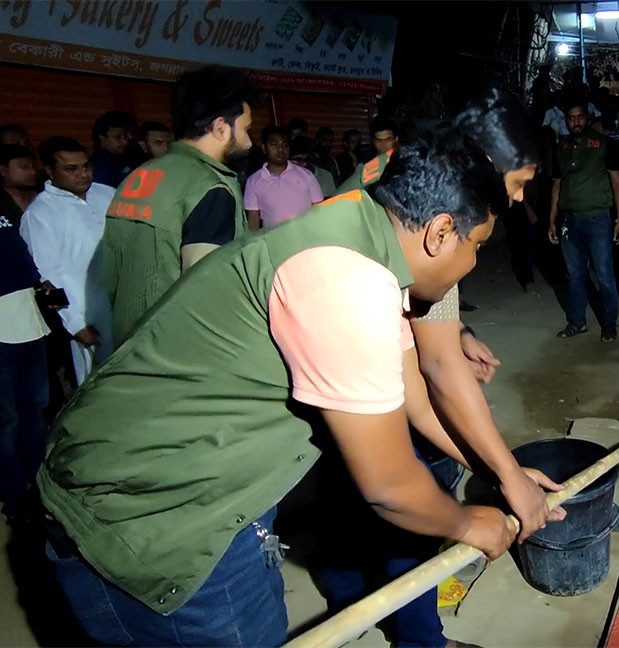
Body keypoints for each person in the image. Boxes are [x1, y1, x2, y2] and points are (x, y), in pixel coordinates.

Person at [37, 131, 520, 647]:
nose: (474, 264)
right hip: (155, 521)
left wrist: (502, 472)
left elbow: (417, 403)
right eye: (479, 247)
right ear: (442, 231)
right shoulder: (347, 280)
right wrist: (468, 521)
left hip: (192, 482)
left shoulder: (361, 228)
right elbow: (390, 486)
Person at [319, 91, 557, 648]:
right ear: (478, 165)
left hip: (342, 370)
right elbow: (438, 371)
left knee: (348, 492)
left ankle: (350, 602)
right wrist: (506, 477)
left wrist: (456, 330)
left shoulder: (395, 175)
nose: (521, 197)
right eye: (518, 183)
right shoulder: (430, 222)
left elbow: (430, 338)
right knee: (412, 498)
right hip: (347, 368)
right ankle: (421, 637)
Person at [100, 65, 255, 346]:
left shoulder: (140, 176)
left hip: (129, 341)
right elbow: (206, 293)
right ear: (220, 128)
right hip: (178, 350)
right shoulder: (211, 187)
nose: (249, 141)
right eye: (245, 130)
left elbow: (111, 271)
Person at [19, 137, 114, 385]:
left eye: (86, 166)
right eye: (71, 169)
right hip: (89, 317)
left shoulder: (107, 194)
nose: (83, 174)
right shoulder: (40, 213)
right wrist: (76, 324)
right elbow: (48, 276)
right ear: (50, 171)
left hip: (125, 304)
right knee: (99, 388)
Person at [548, 97, 619, 342]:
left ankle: (610, 324)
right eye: (571, 118)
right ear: (566, 121)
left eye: (580, 116)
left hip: (598, 220)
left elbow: (617, 183)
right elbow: (556, 187)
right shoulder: (561, 149)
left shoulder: (603, 144)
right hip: (570, 221)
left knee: (604, 275)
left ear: (587, 118)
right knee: (575, 275)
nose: (576, 122)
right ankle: (577, 322)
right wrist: (551, 220)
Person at [0, 161, 49, 526]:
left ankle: (41, 483)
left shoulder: (3, 207)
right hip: (2, 329)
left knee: (34, 410)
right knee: (7, 418)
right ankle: (16, 494)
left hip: (28, 319)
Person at [243, 126, 324, 230]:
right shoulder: (253, 181)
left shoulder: (306, 175)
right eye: (274, 145)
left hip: (305, 239)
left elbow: (319, 209)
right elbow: (253, 218)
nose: (280, 149)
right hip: (274, 241)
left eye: (284, 145)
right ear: (264, 148)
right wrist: (253, 243)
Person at [90, 110, 136, 187]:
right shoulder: (99, 168)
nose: (125, 141)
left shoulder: (128, 157)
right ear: (102, 139)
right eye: (118, 137)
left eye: (126, 136)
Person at [0, 144, 38, 225]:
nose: (33, 172)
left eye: (34, 167)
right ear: (4, 171)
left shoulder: (44, 197)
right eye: (25, 167)